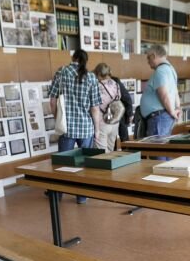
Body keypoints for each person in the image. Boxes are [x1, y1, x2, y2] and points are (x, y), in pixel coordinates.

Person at [48, 49, 102, 204]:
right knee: (84, 164)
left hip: (66, 128)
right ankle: (81, 196)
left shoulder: (61, 73)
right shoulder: (91, 77)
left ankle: (58, 194)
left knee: (62, 164)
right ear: (85, 60)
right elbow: (95, 108)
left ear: (73, 58)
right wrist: (97, 130)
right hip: (86, 128)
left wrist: (58, 118)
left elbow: (52, 101)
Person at [139, 44, 181, 138]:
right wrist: (177, 108)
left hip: (159, 118)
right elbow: (175, 92)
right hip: (162, 117)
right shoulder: (170, 69)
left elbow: (164, 95)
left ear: (153, 56)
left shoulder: (160, 71)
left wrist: (172, 112)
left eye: (148, 58)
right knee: (161, 145)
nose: (148, 61)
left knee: (157, 146)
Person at [93, 63, 125, 152]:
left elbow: (94, 107)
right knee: (111, 150)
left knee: (102, 153)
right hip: (114, 122)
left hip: (102, 122)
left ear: (98, 73)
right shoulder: (115, 84)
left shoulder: (96, 86)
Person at [112, 75, 134, 145]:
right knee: (112, 140)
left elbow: (127, 98)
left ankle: (127, 150)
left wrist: (130, 114)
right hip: (111, 114)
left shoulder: (115, 81)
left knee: (124, 139)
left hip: (120, 114)